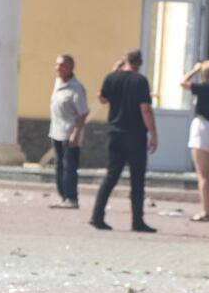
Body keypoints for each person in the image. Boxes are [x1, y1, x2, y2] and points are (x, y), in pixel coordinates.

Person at [90, 49, 158, 233]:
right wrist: (153, 134)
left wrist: (114, 72)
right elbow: (146, 109)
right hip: (135, 135)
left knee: (111, 176)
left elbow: (102, 99)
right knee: (137, 180)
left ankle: (97, 216)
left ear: (124, 61)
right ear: (140, 63)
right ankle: (137, 221)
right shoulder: (140, 81)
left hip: (115, 133)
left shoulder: (112, 78)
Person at [180, 60, 209, 222]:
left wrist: (193, 70)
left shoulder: (206, 89)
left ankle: (206, 211)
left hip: (203, 128)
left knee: (203, 175)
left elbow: (183, 83)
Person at [48, 54, 89, 209]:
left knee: (69, 166)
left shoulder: (76, 87)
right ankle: (63, 196)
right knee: (59, 166)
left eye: (62, 65)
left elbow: (83, 113)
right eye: (57, 64)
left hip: (69, 133)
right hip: (56, 131)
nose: (58, 68)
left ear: (71, 68)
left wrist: (76, 134)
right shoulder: (58, 83)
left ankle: (71, 198)